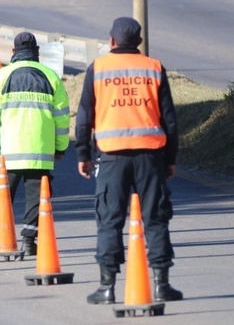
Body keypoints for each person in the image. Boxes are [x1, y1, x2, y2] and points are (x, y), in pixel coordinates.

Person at [76, 18, 183, 305]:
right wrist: (170, 160)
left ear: (111, 41)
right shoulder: (154, 68)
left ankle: (107, 287)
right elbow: (170, 121)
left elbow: (85, 116)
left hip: (111, 157)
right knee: (156, 218)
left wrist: (84, 155)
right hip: (150, 156)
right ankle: (162, 284)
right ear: (139, 42)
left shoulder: (97, 69)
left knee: (109, 221)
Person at [0, 32, 70, 258]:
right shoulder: (51, 77)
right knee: (36, 199)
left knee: (0, 198)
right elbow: (62, 119)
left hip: (9, 153)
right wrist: (60, 148)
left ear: (14, 52)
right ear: (37, 51)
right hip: (40, 152)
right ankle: (29, 242)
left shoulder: (2, 76)